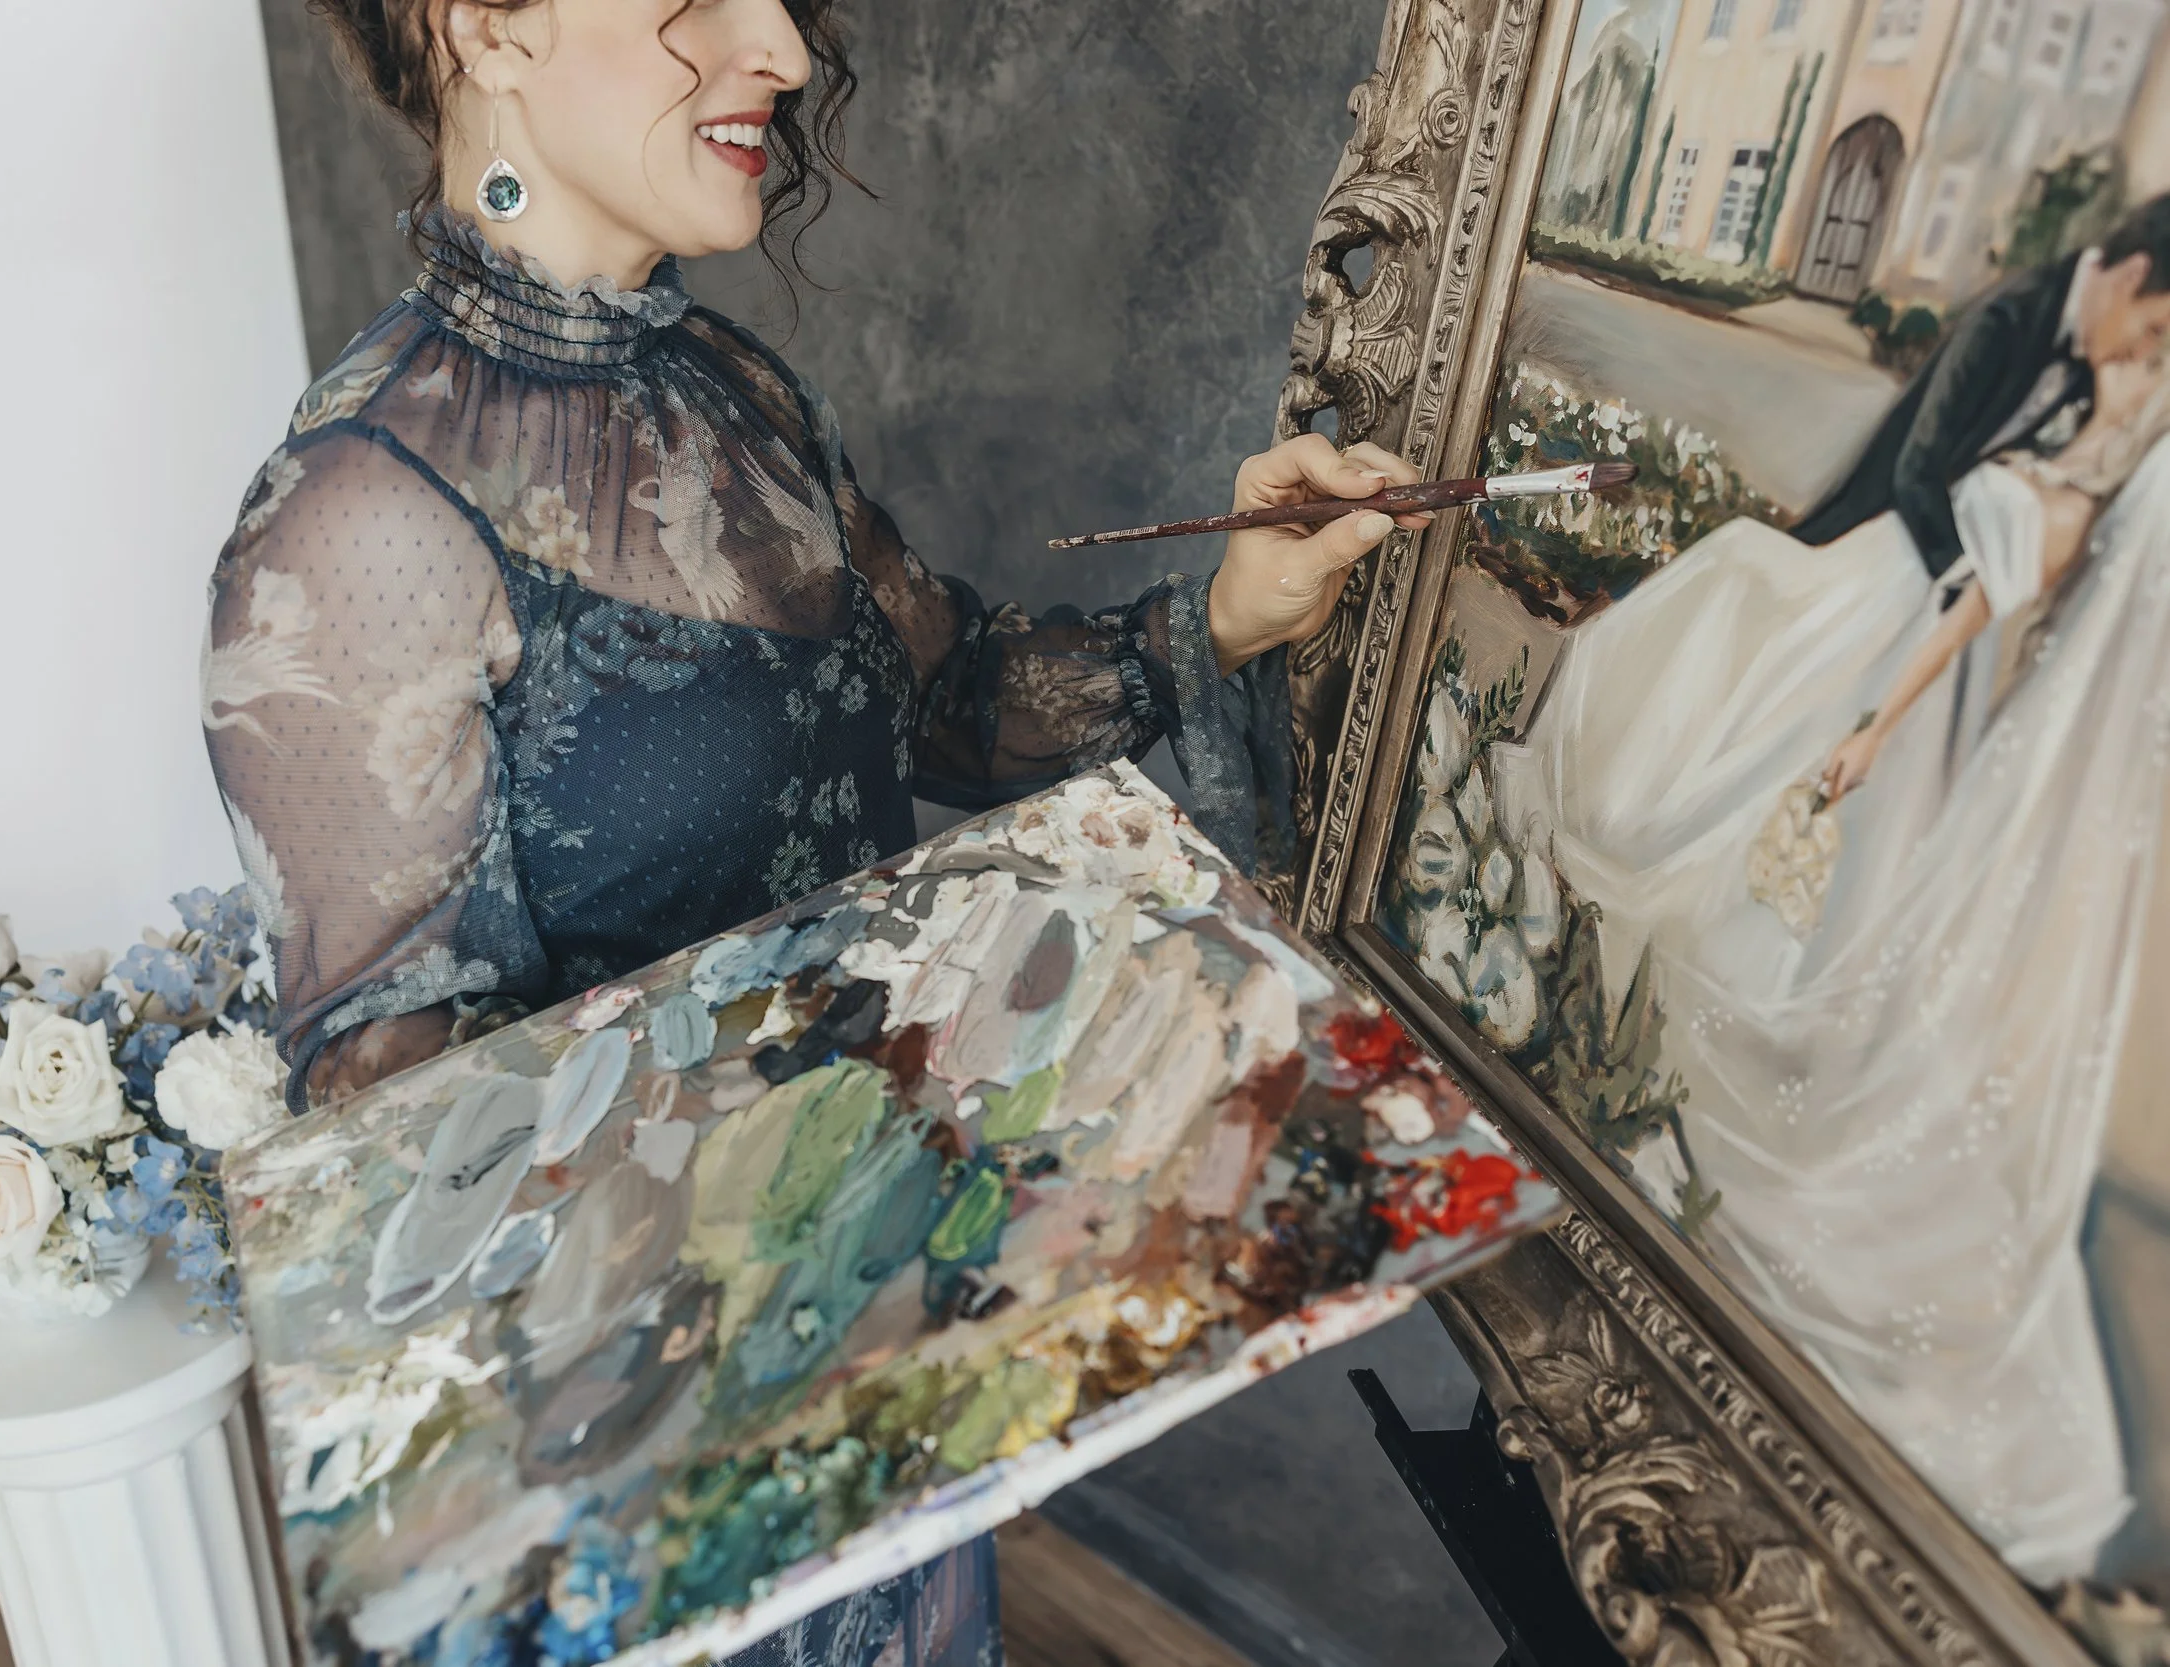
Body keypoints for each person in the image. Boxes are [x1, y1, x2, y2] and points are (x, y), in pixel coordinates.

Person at [199, 2, 1417, 1660]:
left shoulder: (741, 392)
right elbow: (403, 1129)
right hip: (659, 1492)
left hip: (869, 1379)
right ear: (485, 23)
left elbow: (947, 693)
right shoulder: (358, 516)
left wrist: (1222, 612)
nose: (779, 44)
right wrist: (861, 1180)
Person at [1489, 326, 2170, 1582]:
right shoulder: (2068, 444)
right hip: (1912, 670)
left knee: (1815, 931)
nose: (2124, 361)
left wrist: (1869, 730)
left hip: (1917, 703)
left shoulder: (2080, 506)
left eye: (2152, 358)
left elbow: (1973, 620)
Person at [1792, 193, 2170, 579]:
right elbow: (1918, 468)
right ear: (2132, 275)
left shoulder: (2091, 359)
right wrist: (1968, 580)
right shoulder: (2011, 316)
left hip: (1943, 560)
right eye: (2154, 329)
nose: (2143, 352)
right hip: (1873, 537)